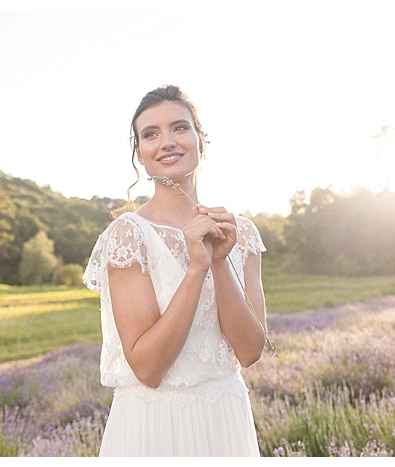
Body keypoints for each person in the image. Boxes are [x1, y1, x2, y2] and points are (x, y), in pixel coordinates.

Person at [83, 84, 267, 456]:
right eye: (150, 134)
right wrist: (196, 269)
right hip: (155, 426)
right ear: (140, 154)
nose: (166, 141)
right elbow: (148, 369)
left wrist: (218, 261)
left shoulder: (240, 233)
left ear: (202, 140)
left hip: (225, 421)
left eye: (179, 128)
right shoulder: (129, 236)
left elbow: (249, 352)